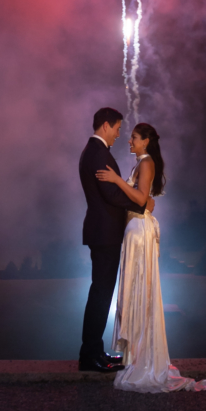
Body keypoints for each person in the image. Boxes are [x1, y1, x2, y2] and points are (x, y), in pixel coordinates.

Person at [96, 122, 206, 393]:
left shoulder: (146, 163)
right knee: (135, 292)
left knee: (140, 291)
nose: (129, 141)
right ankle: (139, 356)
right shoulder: (141, 163)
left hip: (139, 230)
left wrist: (115, 180)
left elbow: (140, 198)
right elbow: (143, 199)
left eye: (134, 138)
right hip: (135, 228)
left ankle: (145, 360)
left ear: (146, 141)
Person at [78, 107, 155, 372]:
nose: (120, 134)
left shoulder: (95, 152)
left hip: (102, 232)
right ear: (106, 126)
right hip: (104, 233)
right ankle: (90, 357)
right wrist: (143, 205)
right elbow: (111, 194)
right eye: (118, 128)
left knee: (101, 292)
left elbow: (111, 191)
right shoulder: (99, 153)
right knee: (100, 294)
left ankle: (95, 351)